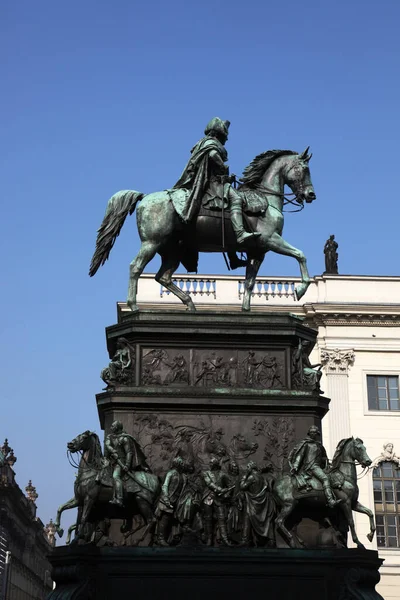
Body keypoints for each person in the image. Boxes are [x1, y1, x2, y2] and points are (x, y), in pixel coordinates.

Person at [173, 117, 260, 266]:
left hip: (215, 181)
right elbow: (213, 156)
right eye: (225, 135)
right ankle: (240, 234)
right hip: (211, 184)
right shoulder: (210, 143)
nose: (227, 138)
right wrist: (223, 167)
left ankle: (233, 258)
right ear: (220, 133)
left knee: (225, 213)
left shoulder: (201, 143)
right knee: (236, 198)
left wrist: (226, 176)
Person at [288, 426, 342, 508]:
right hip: (311, 467)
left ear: (317, 434)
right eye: (311, 432)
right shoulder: (306, 444)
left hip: (319, 467)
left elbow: (324, 457)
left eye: (315, 432)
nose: (313, 434)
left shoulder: (319, 445)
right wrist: (295, 466)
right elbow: (300, 456)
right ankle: (330, 500)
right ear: (309, 433)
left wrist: (326, 461)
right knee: (325, 479)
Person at [104, 420, 149, 507]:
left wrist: (127, 465)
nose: (111, 428)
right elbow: (107, 445)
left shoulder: (124, 438)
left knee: (116, 476)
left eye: (113, 426)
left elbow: (129, 452)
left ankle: (119, 499)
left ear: (117, 427)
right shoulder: (110, 437)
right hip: (111, 461)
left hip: (121, 462)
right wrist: (113, 451)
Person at [239, 461, 276, 546]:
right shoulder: (262, 477)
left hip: (253, 502)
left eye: (247, 467)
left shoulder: (251, 477)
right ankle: (269, 540)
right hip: (262, 501)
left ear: (251, 468)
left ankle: (245, 540)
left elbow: (242, 486)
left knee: (247, 518)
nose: (246, 469)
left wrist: (245, 476)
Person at [201, 457, 233, 546]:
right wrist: (220, 489)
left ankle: (225, 539)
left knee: (222, 519)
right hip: (208, 498)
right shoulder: (206, 473)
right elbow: (209, 483)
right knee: (208, 519)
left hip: (219, 499)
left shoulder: (223, 474)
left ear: (215, 464)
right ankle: (209, 539)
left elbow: (230, 485)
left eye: (211, 463)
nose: (210, 465)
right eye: (210, 463)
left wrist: (227, 494)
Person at [155, 457, 186, 546]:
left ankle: (170, 538)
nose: (183, 465)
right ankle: (160, 538)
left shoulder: (183, 476)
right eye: (181, 463)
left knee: (172, 521)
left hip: (176, 502)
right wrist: (166, 499)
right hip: (167, 501)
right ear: (177, 464)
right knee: (164, 519)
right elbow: (165, 486)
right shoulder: (171, 473)